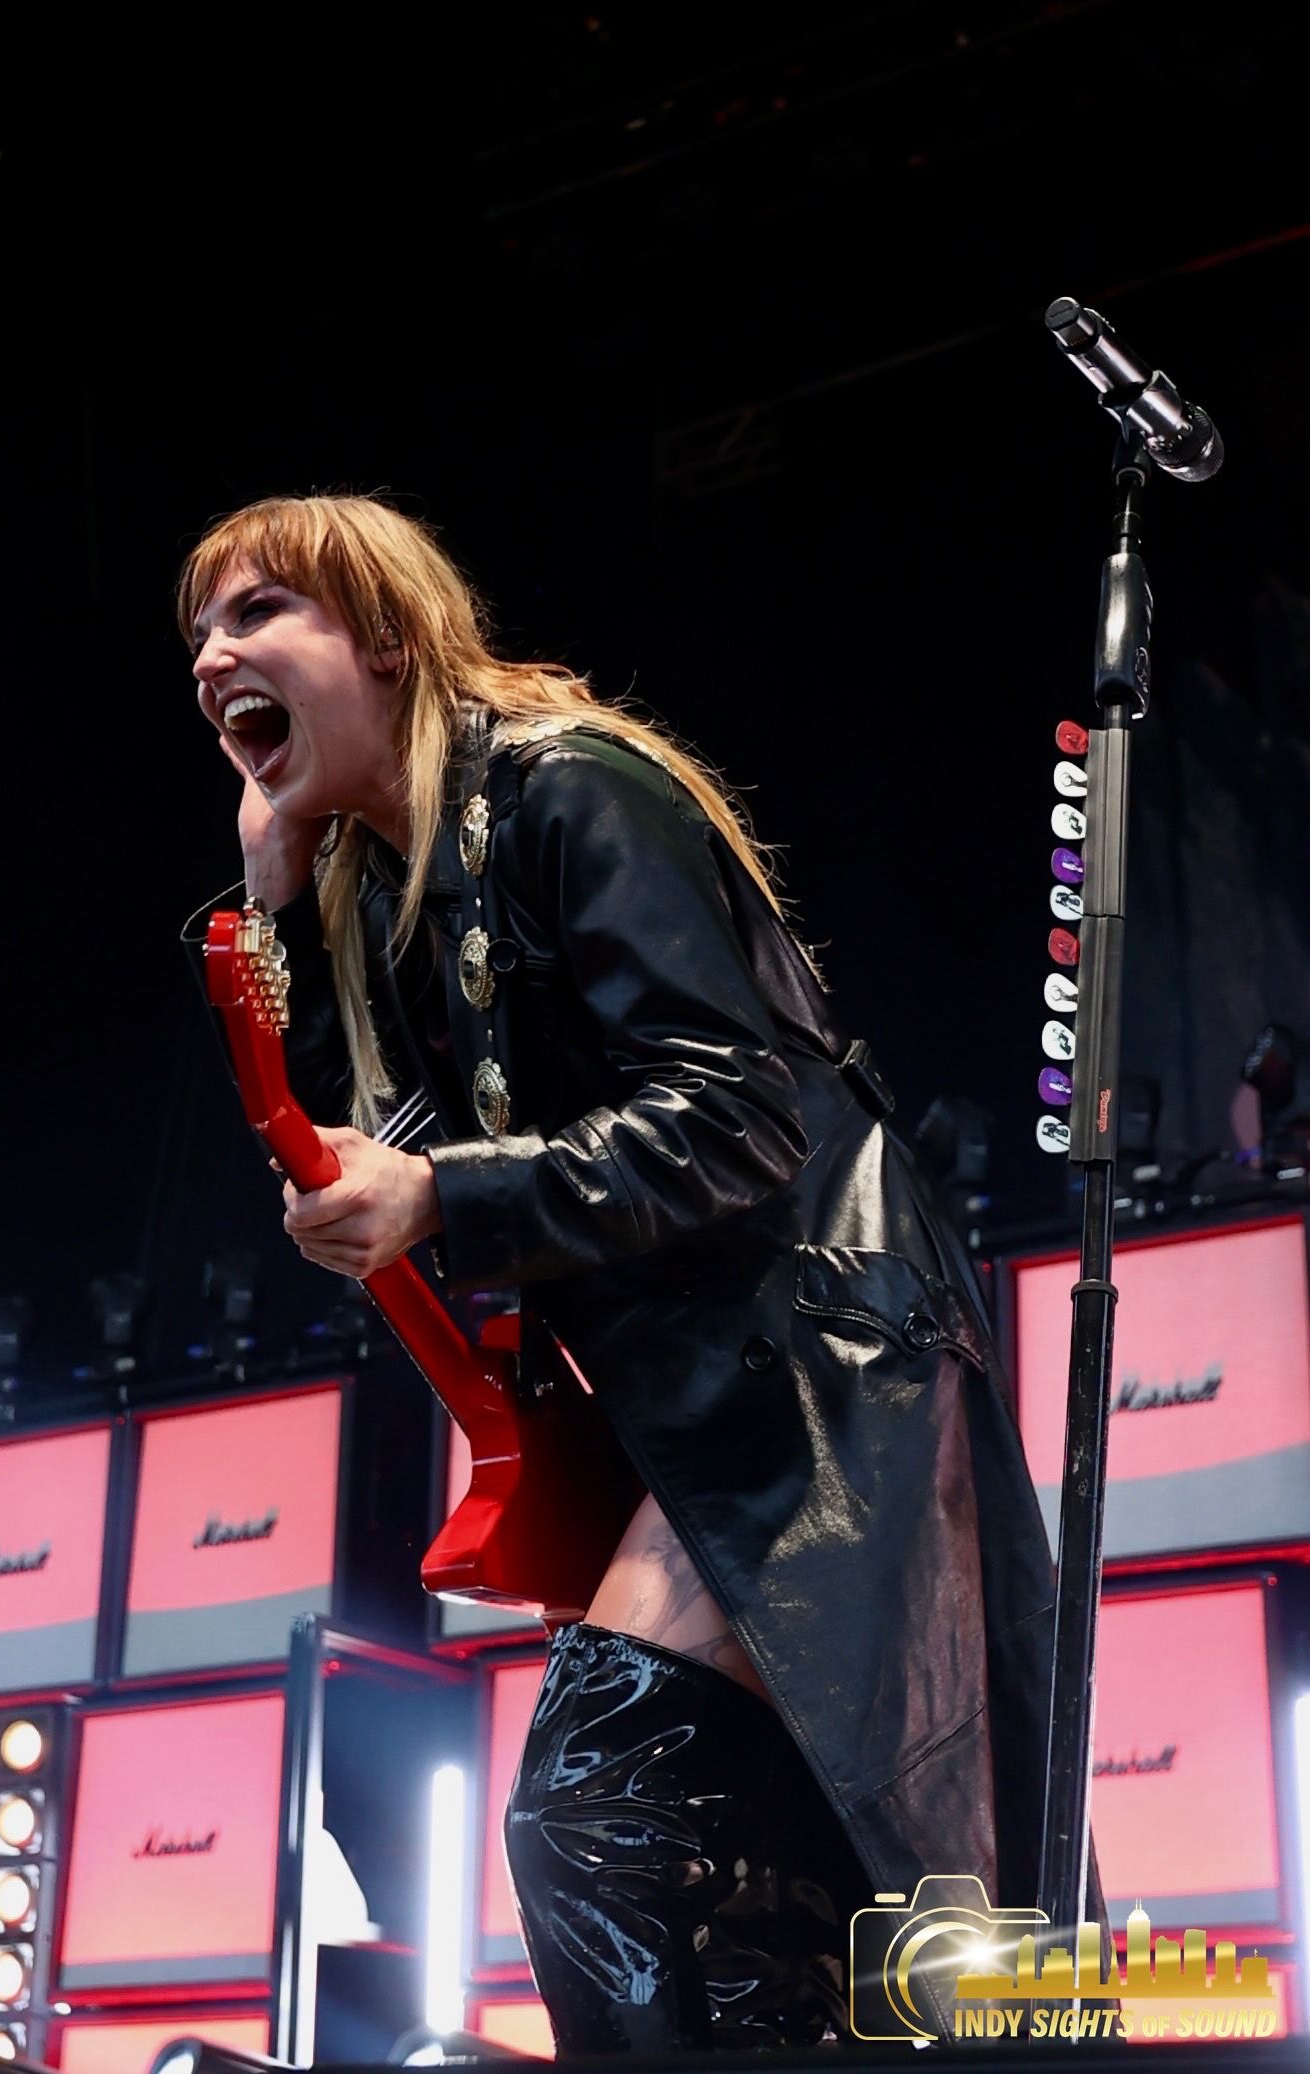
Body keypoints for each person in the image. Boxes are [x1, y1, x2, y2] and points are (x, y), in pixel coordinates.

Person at [180, 493, 1089, 2052]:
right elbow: (360, 1139)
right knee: (774, 1904)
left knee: (607, 1811)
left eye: (259, 611)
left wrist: (441, 1193)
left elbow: (736, 1118)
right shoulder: (387, 888)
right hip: (704, 1394)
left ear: (384, 634)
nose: (212, 657)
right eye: (200, 631)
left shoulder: (567, 788)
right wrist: (278, 906)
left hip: (819, 1366)